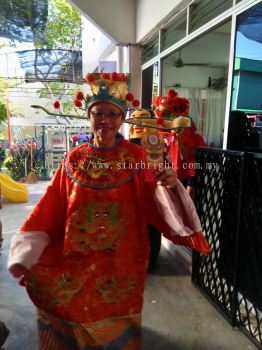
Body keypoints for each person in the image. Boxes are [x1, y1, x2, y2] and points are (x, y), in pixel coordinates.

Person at [8, 73, 210, 350]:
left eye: (113, 114)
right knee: (70, 311)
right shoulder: (74, 159)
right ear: (88, 116)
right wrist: (28, 250)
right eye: (98, 113)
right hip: (75, 258)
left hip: (122, 263)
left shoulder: (137, 158)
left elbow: (156, 198)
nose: (105, 120)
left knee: (115, 324)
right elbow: (51, 205)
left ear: (123, 117)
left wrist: (171, 184)